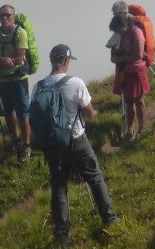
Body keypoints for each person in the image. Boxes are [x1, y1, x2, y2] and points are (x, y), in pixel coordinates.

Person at [32, 44, 120, 244]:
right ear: (66, 61)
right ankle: (110, 219)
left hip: (52, 145)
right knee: (94, 178)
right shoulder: (75, 83)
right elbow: (89, 113)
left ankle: (62, 235)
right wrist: (94, 113)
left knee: (59, 186)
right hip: (76, 141)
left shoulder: (38, 87)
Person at [0, 4, 32, 162]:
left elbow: (18, 59)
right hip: (1, 80)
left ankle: (26, 146)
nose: (4, 18)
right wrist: (1, 60)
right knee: (8, 113)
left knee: (22, 114)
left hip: (18, 80)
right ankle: (16, 142)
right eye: (1, 16)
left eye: (7, 15)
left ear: (14, 16)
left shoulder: (20, 33)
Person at [109, 11, 149, 142]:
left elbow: (138, 55)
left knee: (138, 99)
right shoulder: (121, 34)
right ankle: (130, 130)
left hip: (137, 71)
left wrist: (121, 58)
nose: (118, 32)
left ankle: (142, 128)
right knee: (128, 101)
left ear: (124, 24)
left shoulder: (137, 32)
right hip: (125, 72)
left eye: (118, 30)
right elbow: (114, 52)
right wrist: (117, 57)